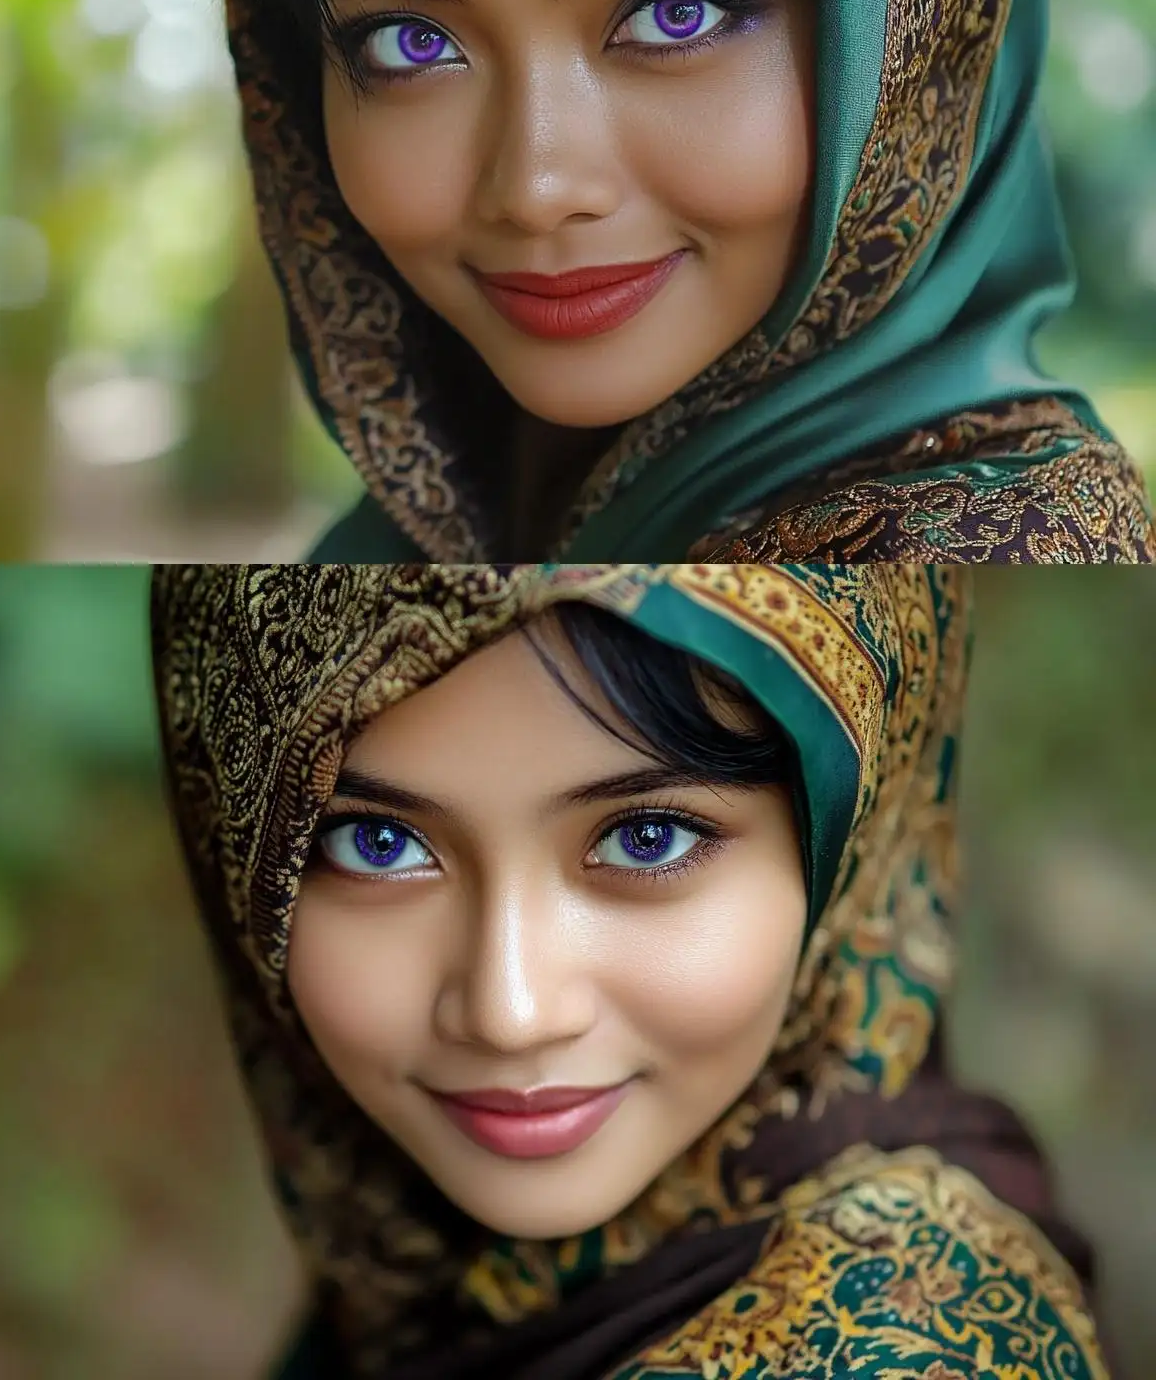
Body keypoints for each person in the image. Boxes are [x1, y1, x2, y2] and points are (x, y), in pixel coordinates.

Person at [151, 563, 1107, 1377]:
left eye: (648, 839)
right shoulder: (428, 1283)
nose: (509, 1012)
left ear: (849, 845)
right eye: (377, 844)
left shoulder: (891, 1338)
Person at [203, 0, 1152, 562]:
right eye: (408, 42)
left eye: (674, 14)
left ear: (915, 24)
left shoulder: (1002, 534)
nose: (535, 189)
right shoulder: (430, 530)